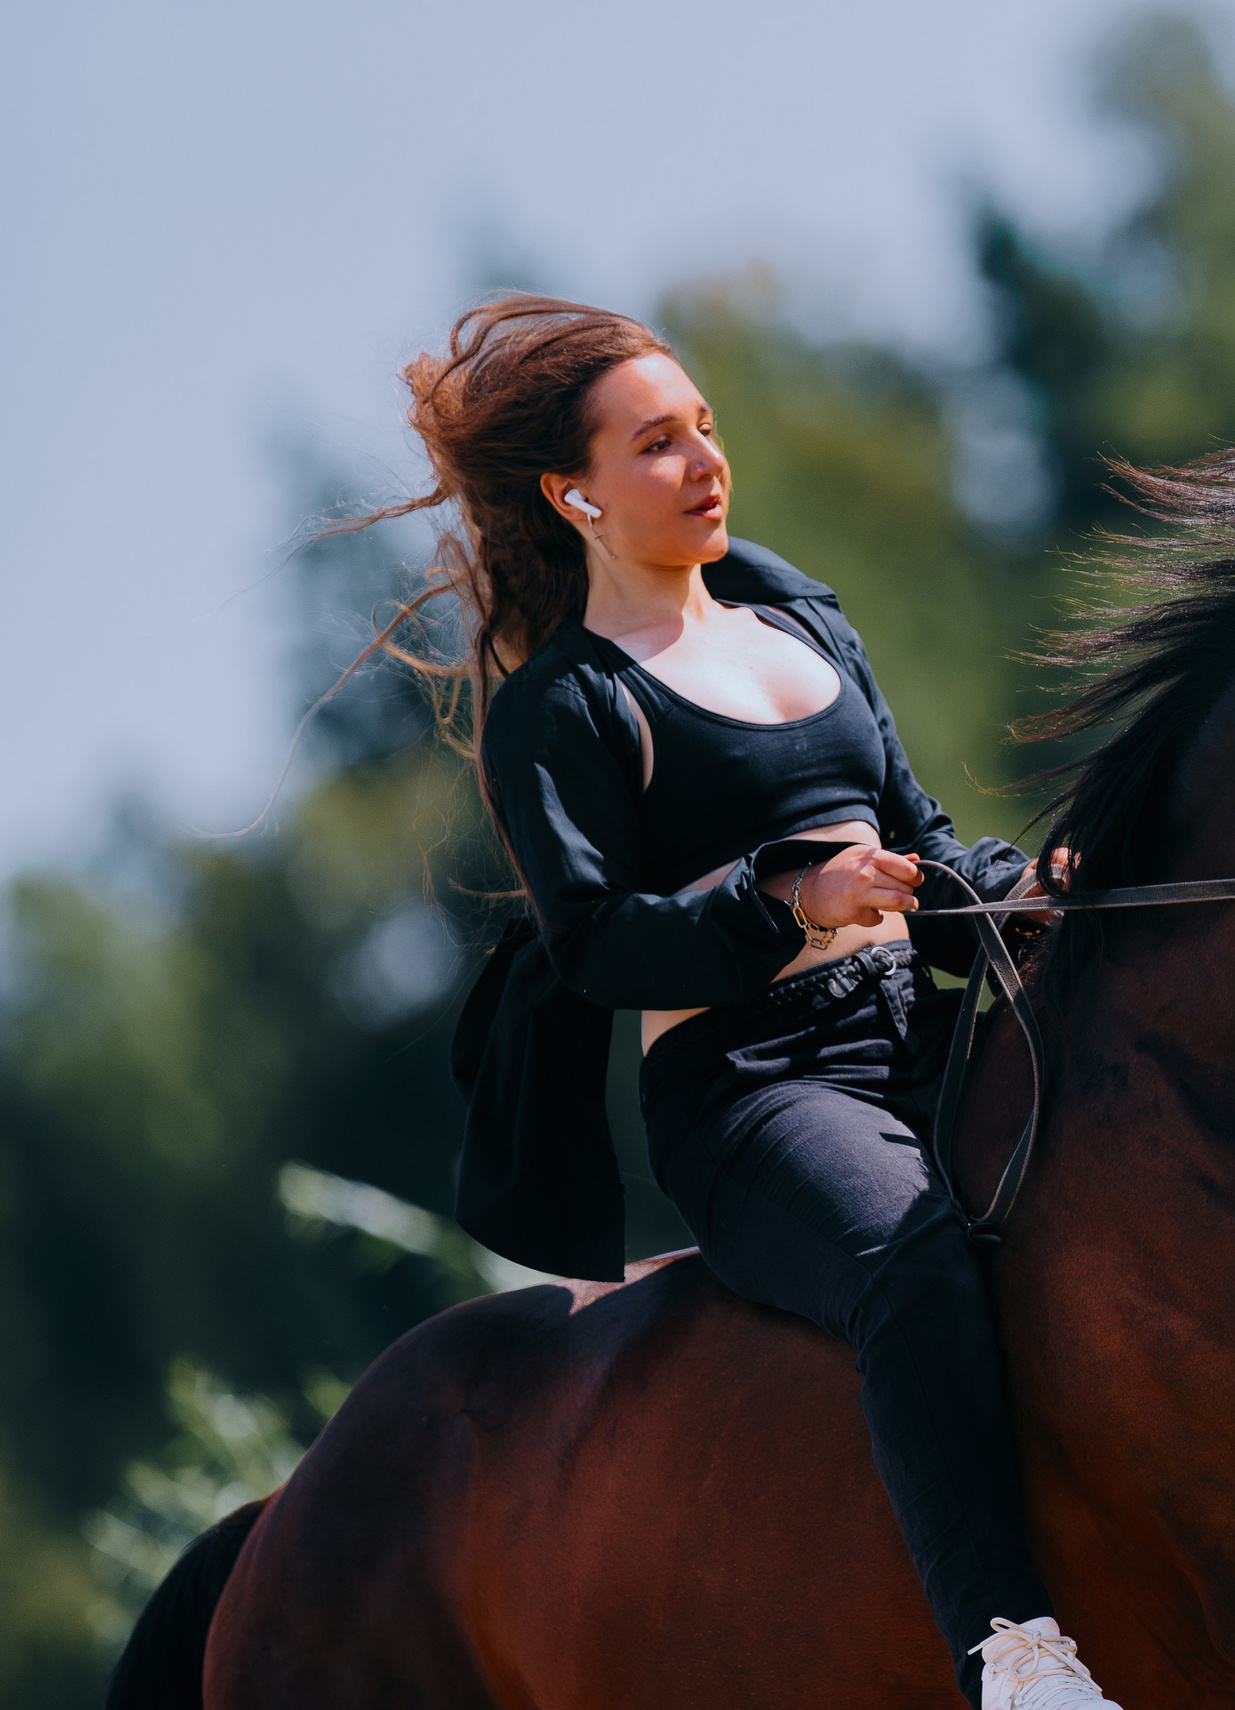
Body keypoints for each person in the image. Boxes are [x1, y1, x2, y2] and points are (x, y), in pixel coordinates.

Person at [360, 294, 1117, 1710]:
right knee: (913, 1261)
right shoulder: (567, 707)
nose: (706, 459)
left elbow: (921, 835)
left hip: (916, 1025)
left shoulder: (796, 612)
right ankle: (1015, 1663)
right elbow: (593, 945)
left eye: (705, 427)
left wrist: (1025, 888)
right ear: (573, 491)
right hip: (756, 1088)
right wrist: (785, 904)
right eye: (658, 442)